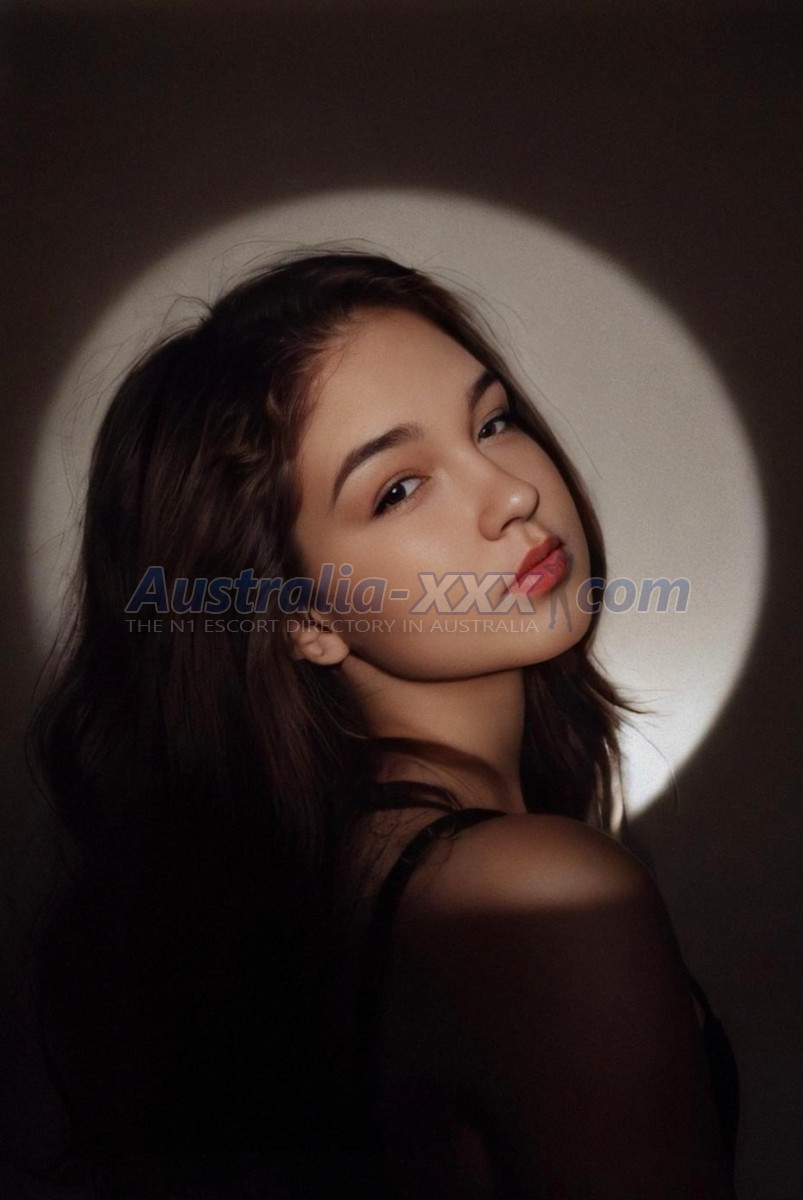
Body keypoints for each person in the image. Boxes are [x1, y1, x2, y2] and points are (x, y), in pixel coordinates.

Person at [30, 250, 738, 1198]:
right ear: (301, 616)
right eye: (398, 488)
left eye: (493, 421)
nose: (511, 493)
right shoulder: (536, 897)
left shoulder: (334, 891)